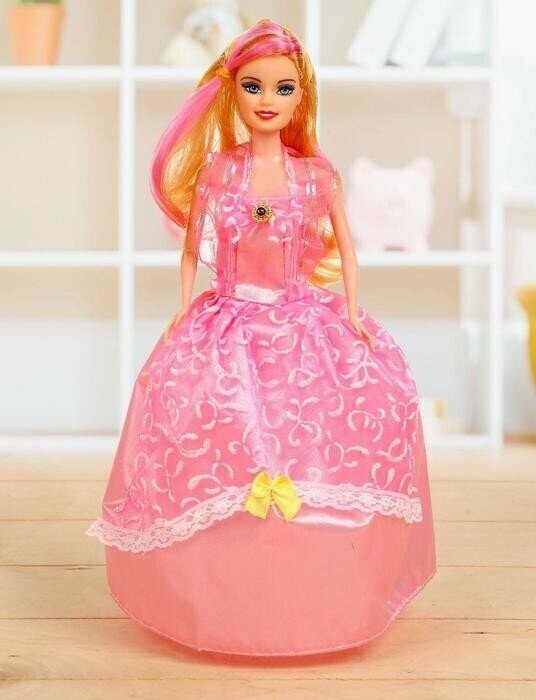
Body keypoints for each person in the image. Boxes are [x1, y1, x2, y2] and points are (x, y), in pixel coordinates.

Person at [86, 18, 436, 657]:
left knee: (319, 438)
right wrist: (182, 309)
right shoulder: (220, 171)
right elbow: (192, 249)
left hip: (303, 323)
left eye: (283, 88)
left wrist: (354, 315)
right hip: (229, 320)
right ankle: (219, 590)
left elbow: (348, 252)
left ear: (302, 96)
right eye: (253, 87)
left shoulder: (317, 175)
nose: (268, 101)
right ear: (233, 92)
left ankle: (317, 586)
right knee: (216, 431)